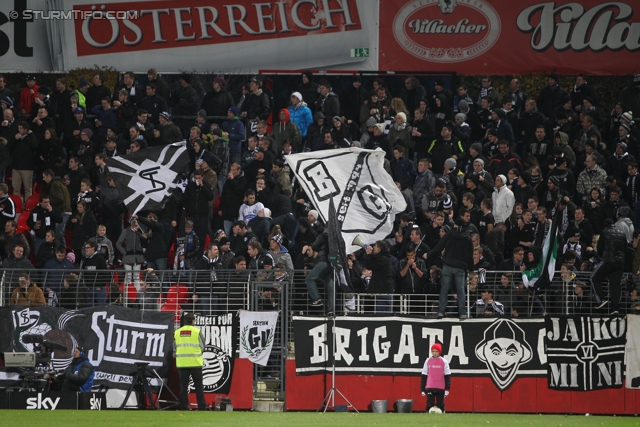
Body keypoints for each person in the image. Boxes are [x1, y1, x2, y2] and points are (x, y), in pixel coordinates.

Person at [426, 218, 474, 319]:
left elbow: (439, 246)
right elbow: (470, 255)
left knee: (444, 290)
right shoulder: (467, 238)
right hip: (460, 267)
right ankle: (462, 313)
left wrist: (428, 254)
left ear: (455, 225)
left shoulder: (450, 234)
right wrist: (471, 269)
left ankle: (441, 312)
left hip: (448, 265)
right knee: (461, 290)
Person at [591, 218, 627, 315]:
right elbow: (626, 249)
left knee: (594, 278)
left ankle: (600, 300)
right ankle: (615, 308)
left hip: (608, 261)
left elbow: (600, 249)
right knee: (615, 284)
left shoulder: (604, 232)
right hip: (620, 263)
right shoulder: (622, 234)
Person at [174, 312, 207, 411]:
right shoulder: (197, 331)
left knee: (183, 387)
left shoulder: (177, 332)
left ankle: (184, 407)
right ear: (193, 321)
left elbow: (174, 346)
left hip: (182, 363)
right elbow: (203, 346)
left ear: (184, 322)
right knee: (198, 387)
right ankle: (201, 407)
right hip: (195, 363)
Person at [420, 343, 451, 413]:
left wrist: (447, 388)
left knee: (440, 404)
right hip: (430, 386)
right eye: (433, 351)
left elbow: (447, 375)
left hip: (440, 387)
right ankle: (428, 414)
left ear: (439, 352)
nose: (434, 353)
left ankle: (442, 414)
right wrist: (422, 389)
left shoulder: (444, 361)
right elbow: (424, 375)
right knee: (429, 404)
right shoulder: (428, 361)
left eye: (436, 351)